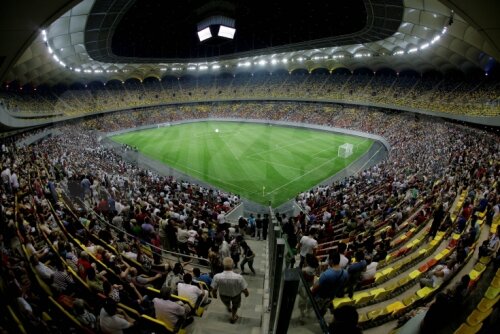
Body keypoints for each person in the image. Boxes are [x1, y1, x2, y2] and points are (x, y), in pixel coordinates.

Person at [211, 257, 249, 324]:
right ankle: (233, 316)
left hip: (223, 295)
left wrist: (214, 295)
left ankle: (228, 307)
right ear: (233, 265)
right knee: (235, 305)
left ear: (223, 265)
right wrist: (246, 293)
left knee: (227, 303)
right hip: (236, 295)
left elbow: (214, 289)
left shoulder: (217, 276)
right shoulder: (239, 277)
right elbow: (244, 289)